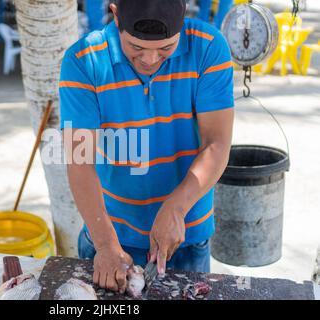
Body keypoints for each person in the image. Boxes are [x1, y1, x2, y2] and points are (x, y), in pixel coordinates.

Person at [59, 0, 234, 294]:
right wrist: (105, 243)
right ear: (116, 16)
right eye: (136, 48)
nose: (150, 59)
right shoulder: (83, 61)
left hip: (186, 235)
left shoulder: (209, 48)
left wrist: (176, 208)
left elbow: (216, 144)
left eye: (166, 49)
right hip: (108, 231)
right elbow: (80, 160)